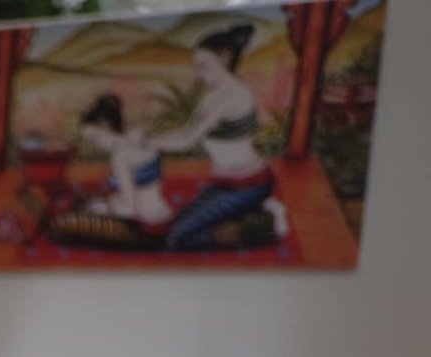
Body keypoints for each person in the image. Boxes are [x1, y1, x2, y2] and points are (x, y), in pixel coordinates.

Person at [149, 24, 290, 250]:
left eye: (203, 65)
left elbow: (188, 139)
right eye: (197, 67)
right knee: (172, 226)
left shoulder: (232, 95)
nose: (198, 72)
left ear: (224, 58)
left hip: (248, 183)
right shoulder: (213, 96)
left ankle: (263, 226)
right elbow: (187, 130)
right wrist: (152, 138)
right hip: (224, 182)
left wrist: (149, 142)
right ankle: (258, 208)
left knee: (176, 240)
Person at [78, 94, 173, 230]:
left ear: (106, 126)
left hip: (147, 218)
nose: (95, 145)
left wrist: (103, 208)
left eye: (94, 138)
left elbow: (130, 209)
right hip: (161, 209)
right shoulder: (136, 135)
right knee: (96, 202)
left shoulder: (119, 157)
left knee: (86, 211)